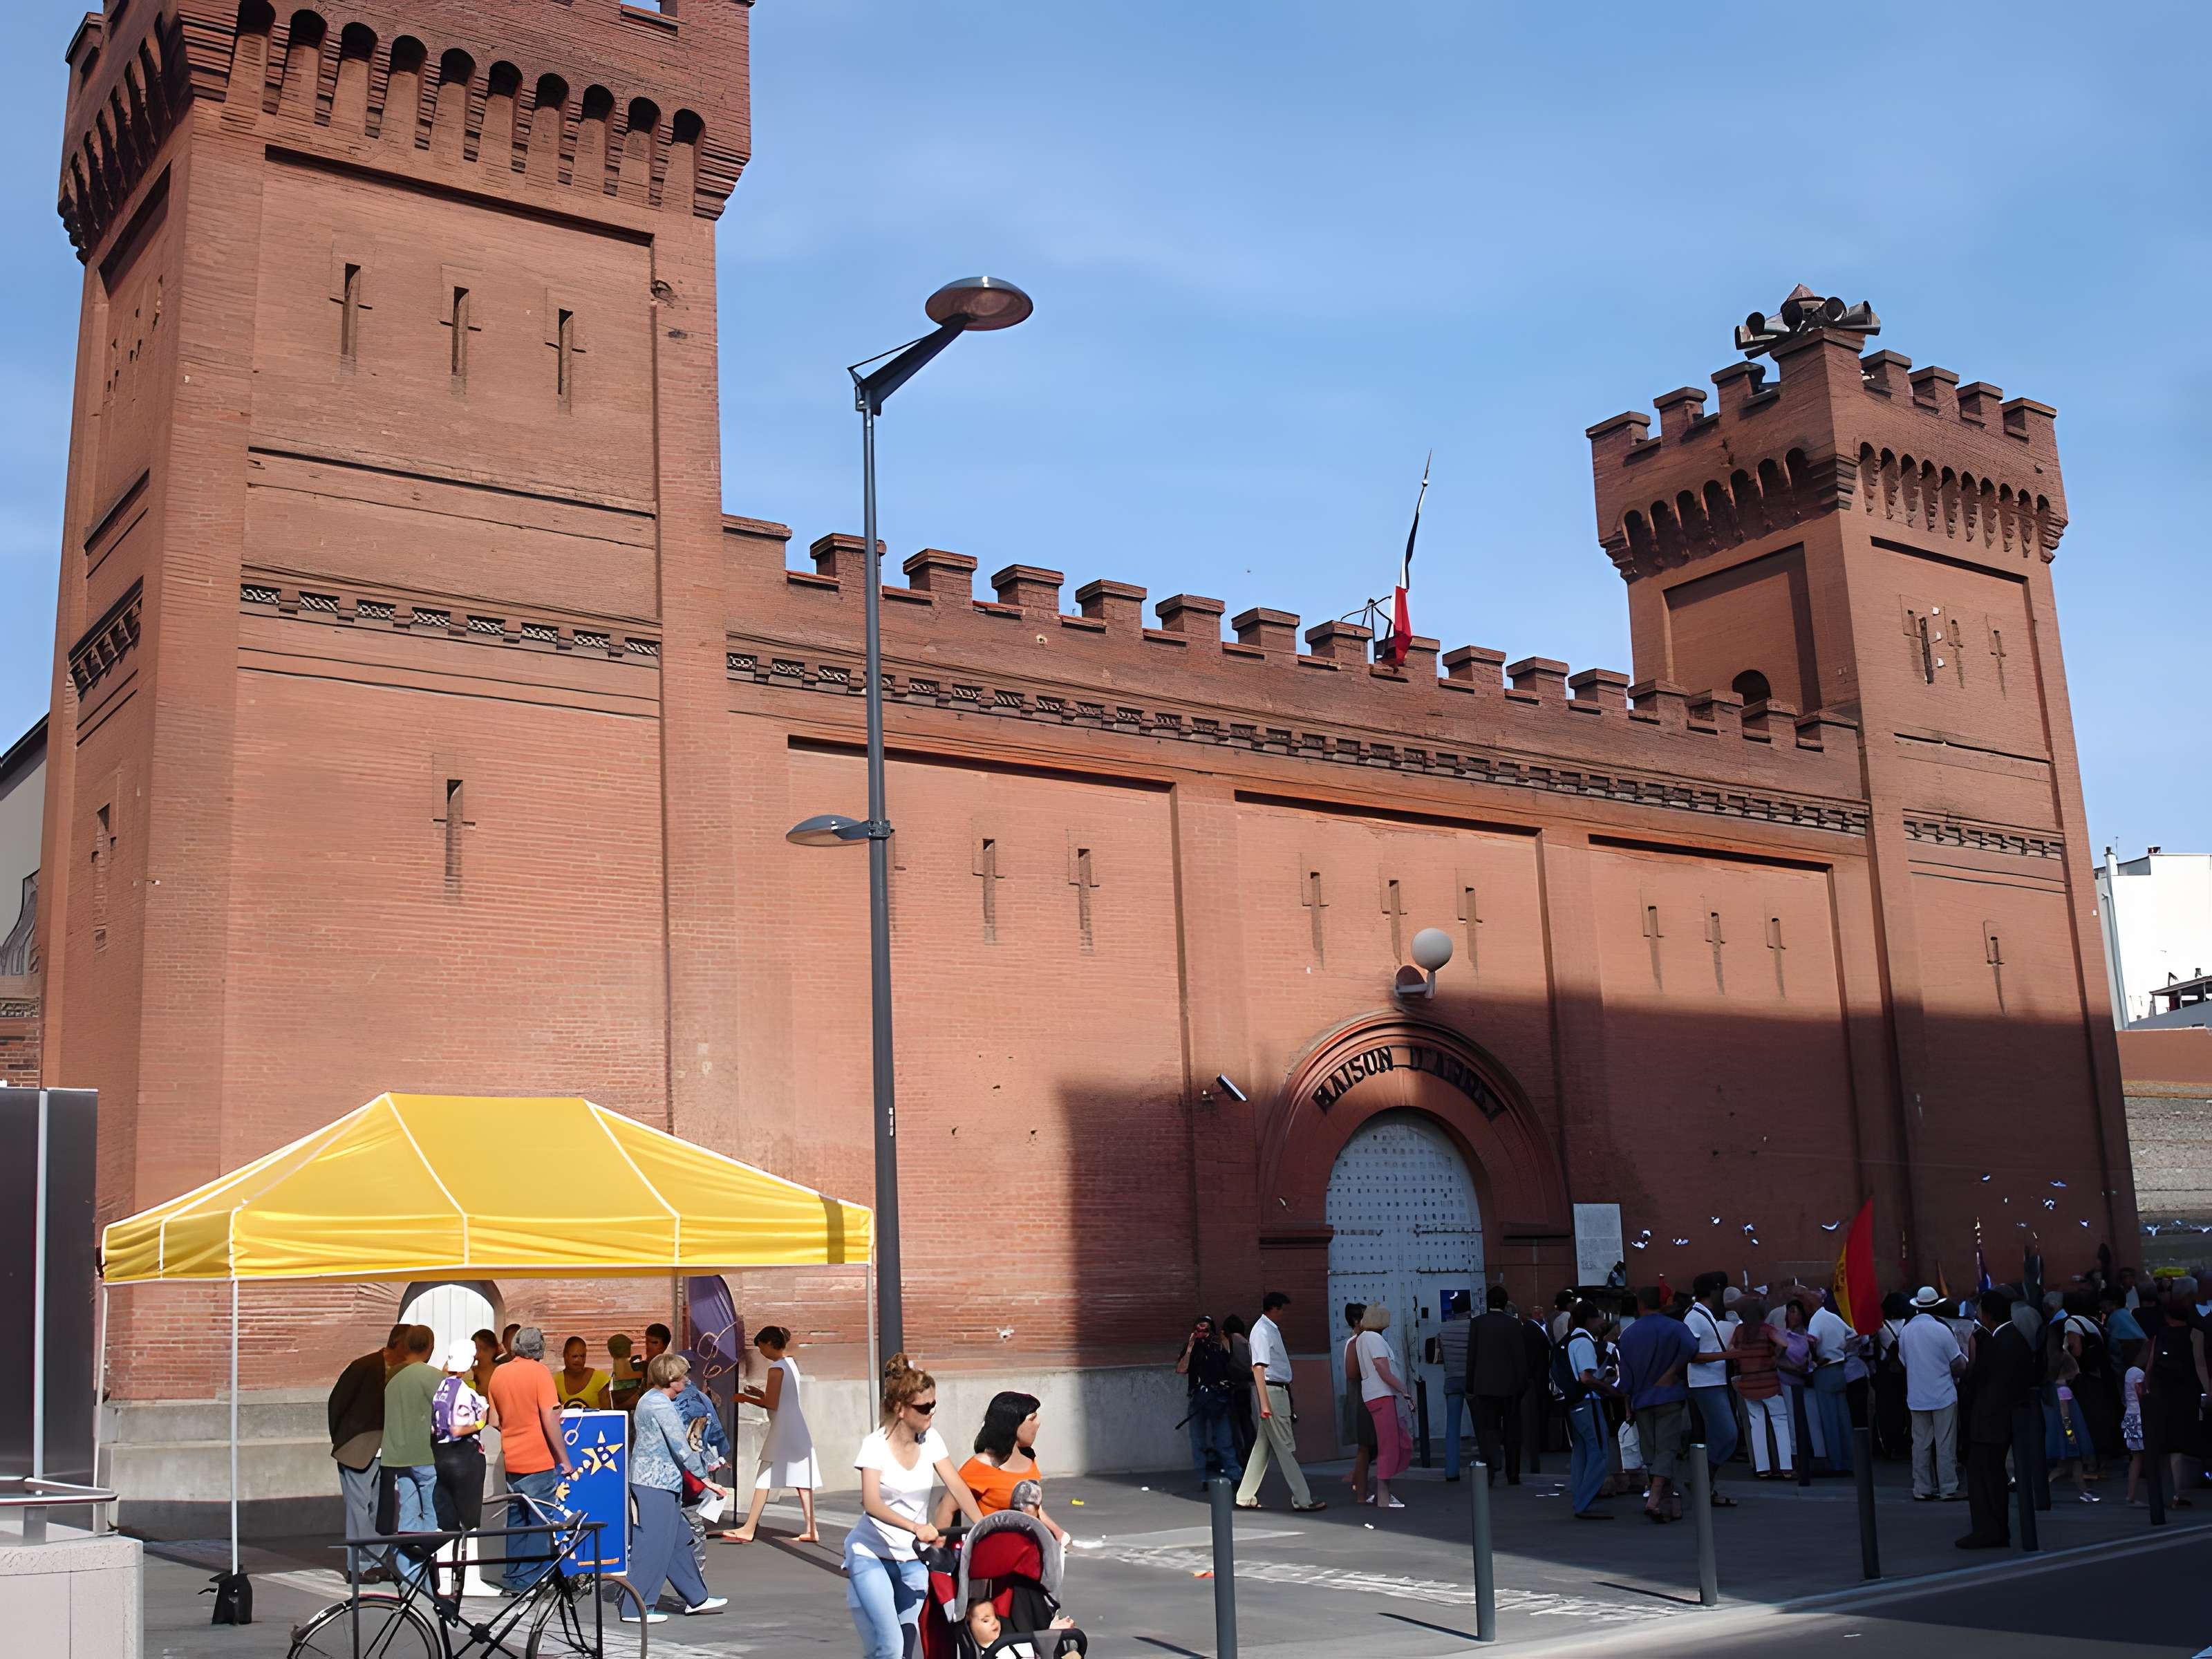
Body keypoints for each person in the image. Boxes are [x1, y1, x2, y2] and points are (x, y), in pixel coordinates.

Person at [845, 1355, 982, 1659]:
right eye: (923, 1407)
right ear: (900, 1408)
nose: (931, 1412)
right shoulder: (875, 1445)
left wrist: (984, 1524)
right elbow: (870, 1502)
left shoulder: (930, 1439)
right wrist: (915, 1527)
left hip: (912, 1559)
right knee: (891, 1646)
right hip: (871, 1555)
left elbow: (957, 1485)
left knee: (904, 1649)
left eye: (934, 1404)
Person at [626, 1351, 729, 1622]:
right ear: (672, 1380)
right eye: (683, 1376)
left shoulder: (653, 1400)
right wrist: (705, 1479)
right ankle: (636, 1606)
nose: (686, 1381)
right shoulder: (659, 1404)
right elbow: (680, 1444)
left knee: (678, 1541)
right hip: (654, 1483)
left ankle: (697, 1598)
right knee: (654, 1544)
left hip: (661, 1482)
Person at [487, 1327, 576, 1593]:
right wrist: (565, 1459)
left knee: (516, 1521)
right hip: (537, 1459)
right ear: (540, 1349)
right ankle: (532, 1581)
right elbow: (550, 1418)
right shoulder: (540, 1374)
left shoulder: (499, 1373)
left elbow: (493, 1421)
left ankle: (513, 1578)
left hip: (511, 1459)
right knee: (539, 1521)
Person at [720, 1324, 821, 1543]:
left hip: (783, 1428)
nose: (761, 1352)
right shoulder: (791, 1364)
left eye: (761, 1347)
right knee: (803, 1479)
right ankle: (811, 1528)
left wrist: (745, 1398)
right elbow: (782, 1398)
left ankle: (748, 1528)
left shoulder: (776, 1368)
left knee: (764, 1478)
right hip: (795, 1426)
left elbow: (771, 1403)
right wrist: (758, 1393)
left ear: (768, 1344)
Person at [328, 1324, 409, 1581]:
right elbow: (338, 1403)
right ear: (397, 1344)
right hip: (358, 1448)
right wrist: (344, 1439)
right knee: (358, 1509)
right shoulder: (364, 1366)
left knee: (381, 1509)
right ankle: (358, 1566)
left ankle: (376, 1561)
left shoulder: (404, 1372)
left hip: (387, 1451)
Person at [1958, 1288, 2037, 1549]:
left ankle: (1989, 1530)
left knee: (1984, 1477)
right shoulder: (2013, 1337)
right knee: (1991, 1476)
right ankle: (1995, 1529)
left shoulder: (1996, 1342)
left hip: (1990, 1419)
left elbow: (1978, 1378)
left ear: (1988, 1314)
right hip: (2002, 1417)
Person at [1234, 1292, 1326, 1512]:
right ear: (1274, 1309)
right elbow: (1258, 1367)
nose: (1285, 1314)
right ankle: (1303, 1498)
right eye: (1283, 1309)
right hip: (1273, 1392)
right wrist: (1264, 1403)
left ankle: (1245, 1495)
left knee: (1263, 1446)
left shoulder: (1265, 1329)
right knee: (1285, 1447)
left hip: (1274, 1391)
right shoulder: (1263, 1331)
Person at [1615, 1286, 1699, 1522]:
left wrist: (1627, 1401)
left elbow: (1625, 1377)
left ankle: (1660, 1495)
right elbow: (1692, 1348)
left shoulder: (1628, 1334)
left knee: (1650, 1450)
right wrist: (1673, 1372)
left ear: (1640, 1305)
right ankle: (1657, 1498)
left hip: (1641, 1398)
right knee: (1668, 1448)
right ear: (1661, 1304)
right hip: (1669, 1396)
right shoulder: (1675, 1328)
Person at [940, 1391, 1070, 1542]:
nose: (1038, 1422)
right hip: (997, 1552)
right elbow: (946, 1507)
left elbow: (1033, 1507)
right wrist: (939, 1556)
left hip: (1029, 1551)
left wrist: (1057, 1533)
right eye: (1032, 1418)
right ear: (1012, 1426)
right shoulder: (979, 1466)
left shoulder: (1028, 1458)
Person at [431, 1338, 499, 1599]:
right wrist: (480, 1424)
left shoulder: (439, 1389)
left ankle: (445, 1579)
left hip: (439, 1456)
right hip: (464, 1458)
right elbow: (458, 1428)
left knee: (445, 1521)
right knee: (470, 1522)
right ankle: (469, 1578)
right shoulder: (466, 1392)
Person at [380, 1326, 444, 1591]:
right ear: (429, 1346)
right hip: (425, 1454)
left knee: (407, 1519)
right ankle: (430, 1582)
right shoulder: (433, 1376)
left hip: (397, 1455)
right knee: (431, 1519)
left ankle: (409, 1580)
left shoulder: (392, 1375)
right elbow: (444, 1413)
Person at [1900, 1286, 1965, 1501]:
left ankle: (1922, 1487)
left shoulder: (1906, 1330)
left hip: (1917, 1395)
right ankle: (1948, 1486)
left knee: (1920, 1443)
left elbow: (1904, 1362)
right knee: (1945, 1443)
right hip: (1943, 1393)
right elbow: (1957, 1363)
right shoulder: (1942, 1329)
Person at [1465, 1284, 1530, 1485]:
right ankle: (1513, 1474)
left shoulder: (1477, 1324)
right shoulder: (1514, 1325)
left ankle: (1490, 1471)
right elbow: (1520, 1358)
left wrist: (1470, 1385)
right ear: (1505, 1302)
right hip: (1510, 1387)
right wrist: (1522, 1385)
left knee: (1488, 1431)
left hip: (1484, 1386)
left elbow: (1472, 1357)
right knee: (1512, 1431)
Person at [1683, 1273, 1738, 1497]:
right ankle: (1701, 1479)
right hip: (1705, 1384)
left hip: (1713, 1382)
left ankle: (1703, 1482)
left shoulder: (1704, 1315)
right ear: (1714, 1291)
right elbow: (1692, 1355)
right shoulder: (1695, 1318)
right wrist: (1728, 1355)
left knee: (1719, 1435)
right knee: (1727, 1434)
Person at [1353, 1306, 1412, 1510]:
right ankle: (1384, 1497)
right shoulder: (1375, 1339)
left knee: (1390, 1443)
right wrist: (1404, 1390)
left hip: (1372, 1395)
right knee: (1390, 1445)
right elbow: (1382, 1368)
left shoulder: (1361, 1339)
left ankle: (1381, 1494)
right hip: (1382, 1395)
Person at [1176, 1316, 1244, 1489]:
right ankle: (1203, 1478)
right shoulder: (1191, 1348)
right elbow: (1181, 1369)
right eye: (1198, 1330)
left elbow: (1230, 1364)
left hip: (1218, 1398)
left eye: (1205, 1330)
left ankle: (1234, 1476)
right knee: (1198, 1440)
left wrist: (1223, 1341)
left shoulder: (1218, 1346)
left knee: (1224, 1440)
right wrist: (1190, 1346)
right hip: (1197, 1398)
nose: (1201, 1333)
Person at [1728, 1297, 1791, 1479]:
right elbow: (1784, 1344)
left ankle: (1762, 1468)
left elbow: (1731, 1350)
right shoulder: (1767, 1330)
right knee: (1780, 1422)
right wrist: (1774, 1358)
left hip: (1748, 1384)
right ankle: (1786, 1467)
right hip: (1769, 1382)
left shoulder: (1740, 1331)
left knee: (1756, 1425)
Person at [1561, 1300, 1612, 1519]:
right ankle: (1584, 1501)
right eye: (1598, 1317)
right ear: (1590, 1319)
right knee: (1599, 1452)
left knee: (1581, 1451)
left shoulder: (1571, 1339)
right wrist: (1610, 1390)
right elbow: (1586, 1377)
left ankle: (1579, 1495)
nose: (1601, 1322)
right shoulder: (1584, 1342)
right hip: (1588, 1402)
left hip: (1573, 1404)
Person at [1806, 1290, 1857, 1474]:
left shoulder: (1816, 1320)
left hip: (1825, 1371)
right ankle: (1852, 1461)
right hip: (1840, 1369)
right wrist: (1842, 1350)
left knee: (1829, 1420)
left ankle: (1837, 1463)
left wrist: (1815, 1359)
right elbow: (1854, 1335)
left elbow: (1811, 1340)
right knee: (1843, 1418)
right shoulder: (1832, 1317)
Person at [1338, 1302, 1375, 1502]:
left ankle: (1358, 1483)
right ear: (1356, 1320)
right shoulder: (1355, 1343)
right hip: (1361, 1398)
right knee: (1365, 1447)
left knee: (1369, 1446)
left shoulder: (1364, 1340)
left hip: (1365, 1397)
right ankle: (1361, 1492)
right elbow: (1352, 1373)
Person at [1436, 1297, 1472, 1481]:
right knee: (1480, 1426)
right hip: (1473, 1382)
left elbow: (1440, 1357)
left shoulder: (1444, 1329)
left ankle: (1451, 1471)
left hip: (1452, 1380)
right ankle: (1484, 1471)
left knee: (1452, 1428)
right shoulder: (1474, 1327)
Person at [1873, 1293, 1913, 1461]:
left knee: (1888, 1411)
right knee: (1907, 1410)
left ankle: (1889, 1445)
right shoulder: (1908, 1325)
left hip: (1886, 1373)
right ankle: (1906, 1443)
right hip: (1906, 1371)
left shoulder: (1881, 1327)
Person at [1519, 1302, 1555, 1471]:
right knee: (1539, 1411)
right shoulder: (1536, 1330)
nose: (1540, 1315)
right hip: (1538, 1377)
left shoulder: (1527, 1329)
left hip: (1532, 1376)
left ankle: (1537, 1446)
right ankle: (1540, 1445)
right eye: (1537, 1313)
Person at [1219, 1315, 1257, 1463]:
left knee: (1235, 1425)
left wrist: (1223, 1339)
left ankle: (1242, 1457)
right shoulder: (1246, 1342)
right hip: (1246, 1387)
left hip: (1234, 1388)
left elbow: (1226, 1359)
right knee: (1247, 1422)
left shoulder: (1230, 1340)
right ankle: (1252, 1454)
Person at [553, 1335, 611, 1411]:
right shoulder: (555, 1381)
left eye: (582, 1356)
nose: (579, 1360)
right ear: (565, 1356)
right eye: (575, 1356)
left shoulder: (599, 1379)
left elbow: (608, 1414)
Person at [2123, 1349, 2149, 1505]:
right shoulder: (2139, 1373)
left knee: (2136, 1458)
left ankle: (2131, 1494)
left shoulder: (2129, 1372)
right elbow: (2141, 1393)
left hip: (2130, 1417)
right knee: (2147, 1456)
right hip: (2140, 1417)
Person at [607, 1333, 644, 1412]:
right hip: (626, 1395)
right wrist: (641, 1374)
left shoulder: (620, 1361)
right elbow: (622, 1376)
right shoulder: (621, 1361)